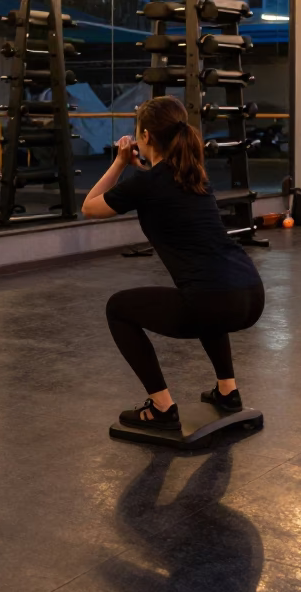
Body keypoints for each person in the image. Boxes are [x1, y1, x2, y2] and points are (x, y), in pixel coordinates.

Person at [81, 95, 265, 431]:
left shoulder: (147, 183)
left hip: (215, 301)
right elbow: (162, 184)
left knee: (118, 308)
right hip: (251, 293)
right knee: (207, 296)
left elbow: (90, 207)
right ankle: (228, 391)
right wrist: (143, 171)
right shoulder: (195, 176)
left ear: (146, 137)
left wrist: (121, 162)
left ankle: (161, 408)